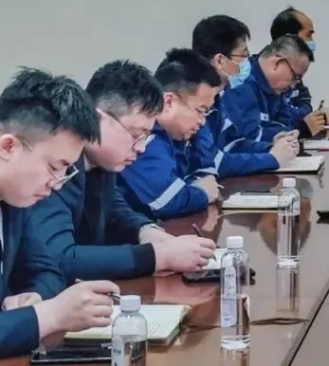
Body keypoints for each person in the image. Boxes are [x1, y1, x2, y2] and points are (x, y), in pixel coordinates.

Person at [31, 60, 217, 283]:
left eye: (146, 137)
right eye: (137, 134)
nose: (141, 148)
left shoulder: (103, 163)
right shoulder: (55, 167)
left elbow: (114, 209)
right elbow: (62, 259)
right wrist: (158, 257)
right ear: (98, 119)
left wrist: (146, 231)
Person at [0, 68, 121, 358]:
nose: (56, 184)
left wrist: (33, 299)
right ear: (8, 146)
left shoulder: (14, 199)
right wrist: (49, 315)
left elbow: (45, 269)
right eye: (54, 167)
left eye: (66, 172)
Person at [118, 49, 222, 220]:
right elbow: (169, 201)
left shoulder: (175, 134)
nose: (202, 122)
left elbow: (201, 166)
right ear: (168, 102)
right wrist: (203, 193)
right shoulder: (145, 137)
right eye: (200, 111)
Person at [192, 15, 300, 176]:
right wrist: (271, 159)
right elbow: (213, 162)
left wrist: (271, 146)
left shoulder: (218, 96)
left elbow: (232, 144)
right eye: (243, 56)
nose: (247, 63)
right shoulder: (195, 101)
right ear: (220, 61)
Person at [219, 35, 321, 144]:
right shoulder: (241, 85)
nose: (292, 86)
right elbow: (246, 139)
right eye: (295, 77)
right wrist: (298, 132)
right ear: (277, 63)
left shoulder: (275, 89)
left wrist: (293, 132)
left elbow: (285, 123)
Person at [269, 7, 329, 131]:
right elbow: (281, 118)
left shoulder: (293, 69)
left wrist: (307, 118)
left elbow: (304, 100)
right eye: (308, 35)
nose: (312, 41)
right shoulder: (272, 73)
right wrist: (327, 118)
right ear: (290, 38)